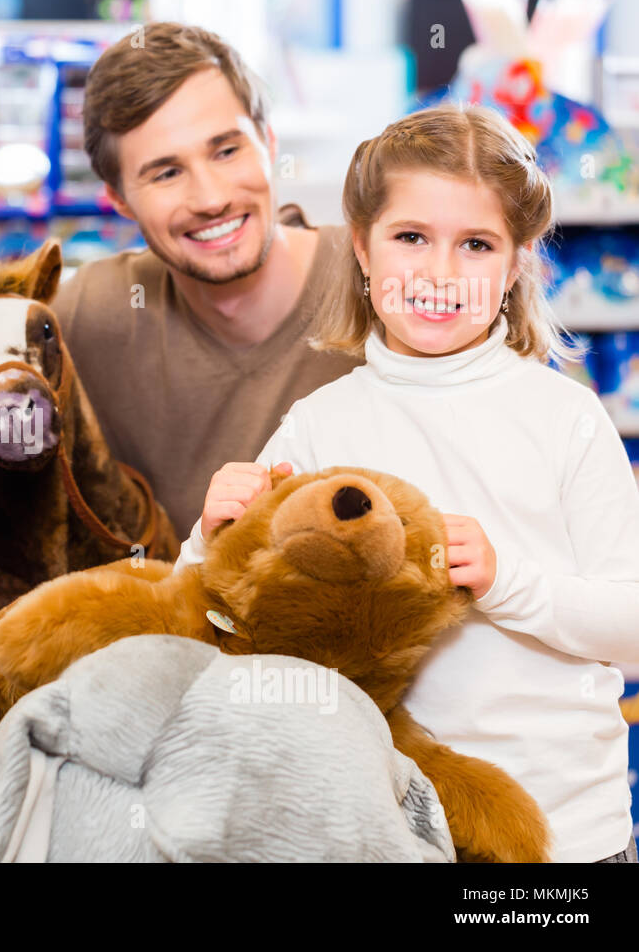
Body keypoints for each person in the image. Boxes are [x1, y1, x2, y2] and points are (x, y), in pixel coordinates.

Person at [177, 104, 639, 863]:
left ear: (518, 260)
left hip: (564, 836)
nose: (439, 273)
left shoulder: (566, 417)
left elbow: (629, 622)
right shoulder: (320, 424)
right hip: (383, 826)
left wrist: (507, 579)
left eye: (477, 245)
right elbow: (222, 618)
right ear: (361, 247)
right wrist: (211, 535)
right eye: (411, 237)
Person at [0, 22, 360, 540]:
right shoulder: (90, 313)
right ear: (119, 199)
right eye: (166, 173)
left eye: (226, 150)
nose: (210, 197)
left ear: (268, 141)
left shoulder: (379, 283)